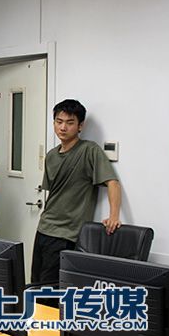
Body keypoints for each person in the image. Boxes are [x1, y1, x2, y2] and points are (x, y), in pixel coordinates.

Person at [31, 99, 122, 286]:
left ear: (80, 126)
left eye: (70, 122)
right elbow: (53, 193)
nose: (63, 127)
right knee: (35, 283)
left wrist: (114, 216)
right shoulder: (51, 155)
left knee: (51, 289)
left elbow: (113, 183)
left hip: (66, 234)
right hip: (43, 228)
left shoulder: (89, 150)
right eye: (59, 121)